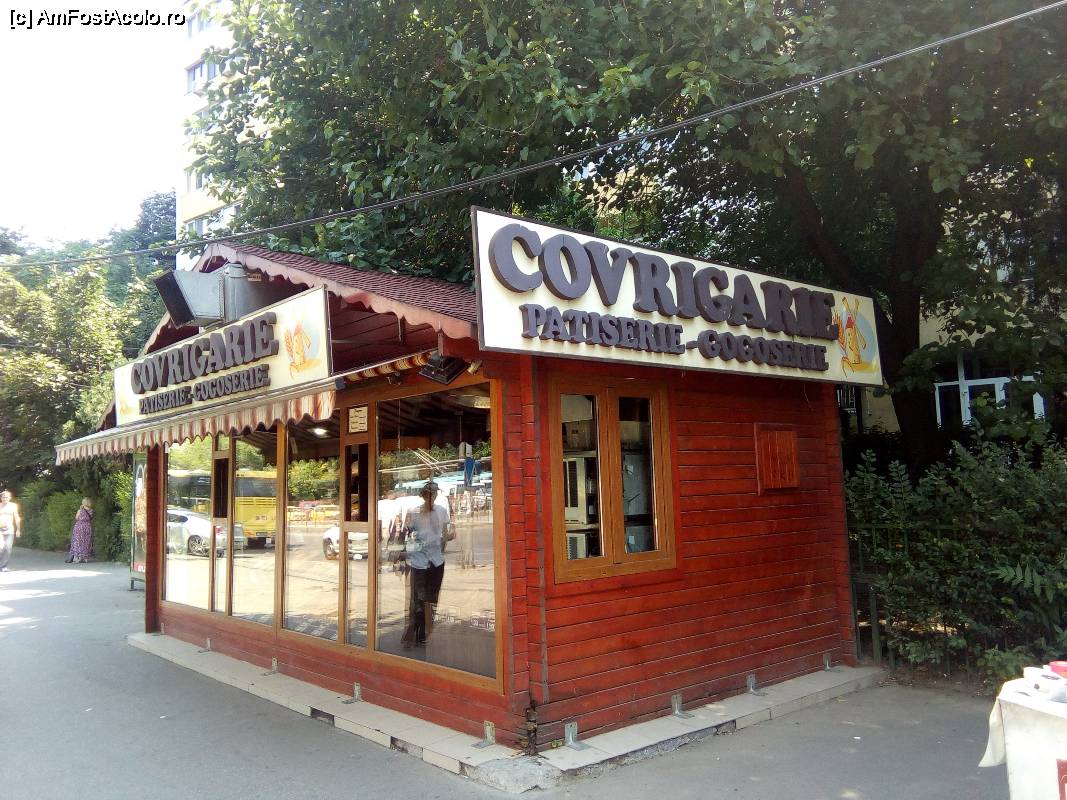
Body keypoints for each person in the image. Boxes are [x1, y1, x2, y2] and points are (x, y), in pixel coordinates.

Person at [400, 481, 453, 648]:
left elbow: (445, 534)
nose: (432, 497)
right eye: (429, 494)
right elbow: (406, 535)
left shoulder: (442, 511)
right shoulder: (414, 512)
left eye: (434, 494)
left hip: (436, 561)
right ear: (423, 495)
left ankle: (424, 634)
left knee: (432, 599)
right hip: (419, 562)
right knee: (418, 600)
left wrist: (448, 537)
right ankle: (412, 634)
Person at [0, 489, 22, 572]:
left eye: (7, 497)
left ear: (10, 498)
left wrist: (18, 530)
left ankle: (3, 566)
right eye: (3, 497)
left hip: (9, 529)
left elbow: (17, 518)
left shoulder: (13, 506)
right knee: (1, 546)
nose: (5, 499)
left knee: (8, 548)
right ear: (1, 498)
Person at [67, 498, 93, 564]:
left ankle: (77, 558)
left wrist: (81, 509)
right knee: (86, 542)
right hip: (87, 527)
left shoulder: (80, 510)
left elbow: (77, 518)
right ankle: (85, 558)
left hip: (79, 527)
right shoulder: (91, 511)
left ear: (83, 502)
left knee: (78, 542)